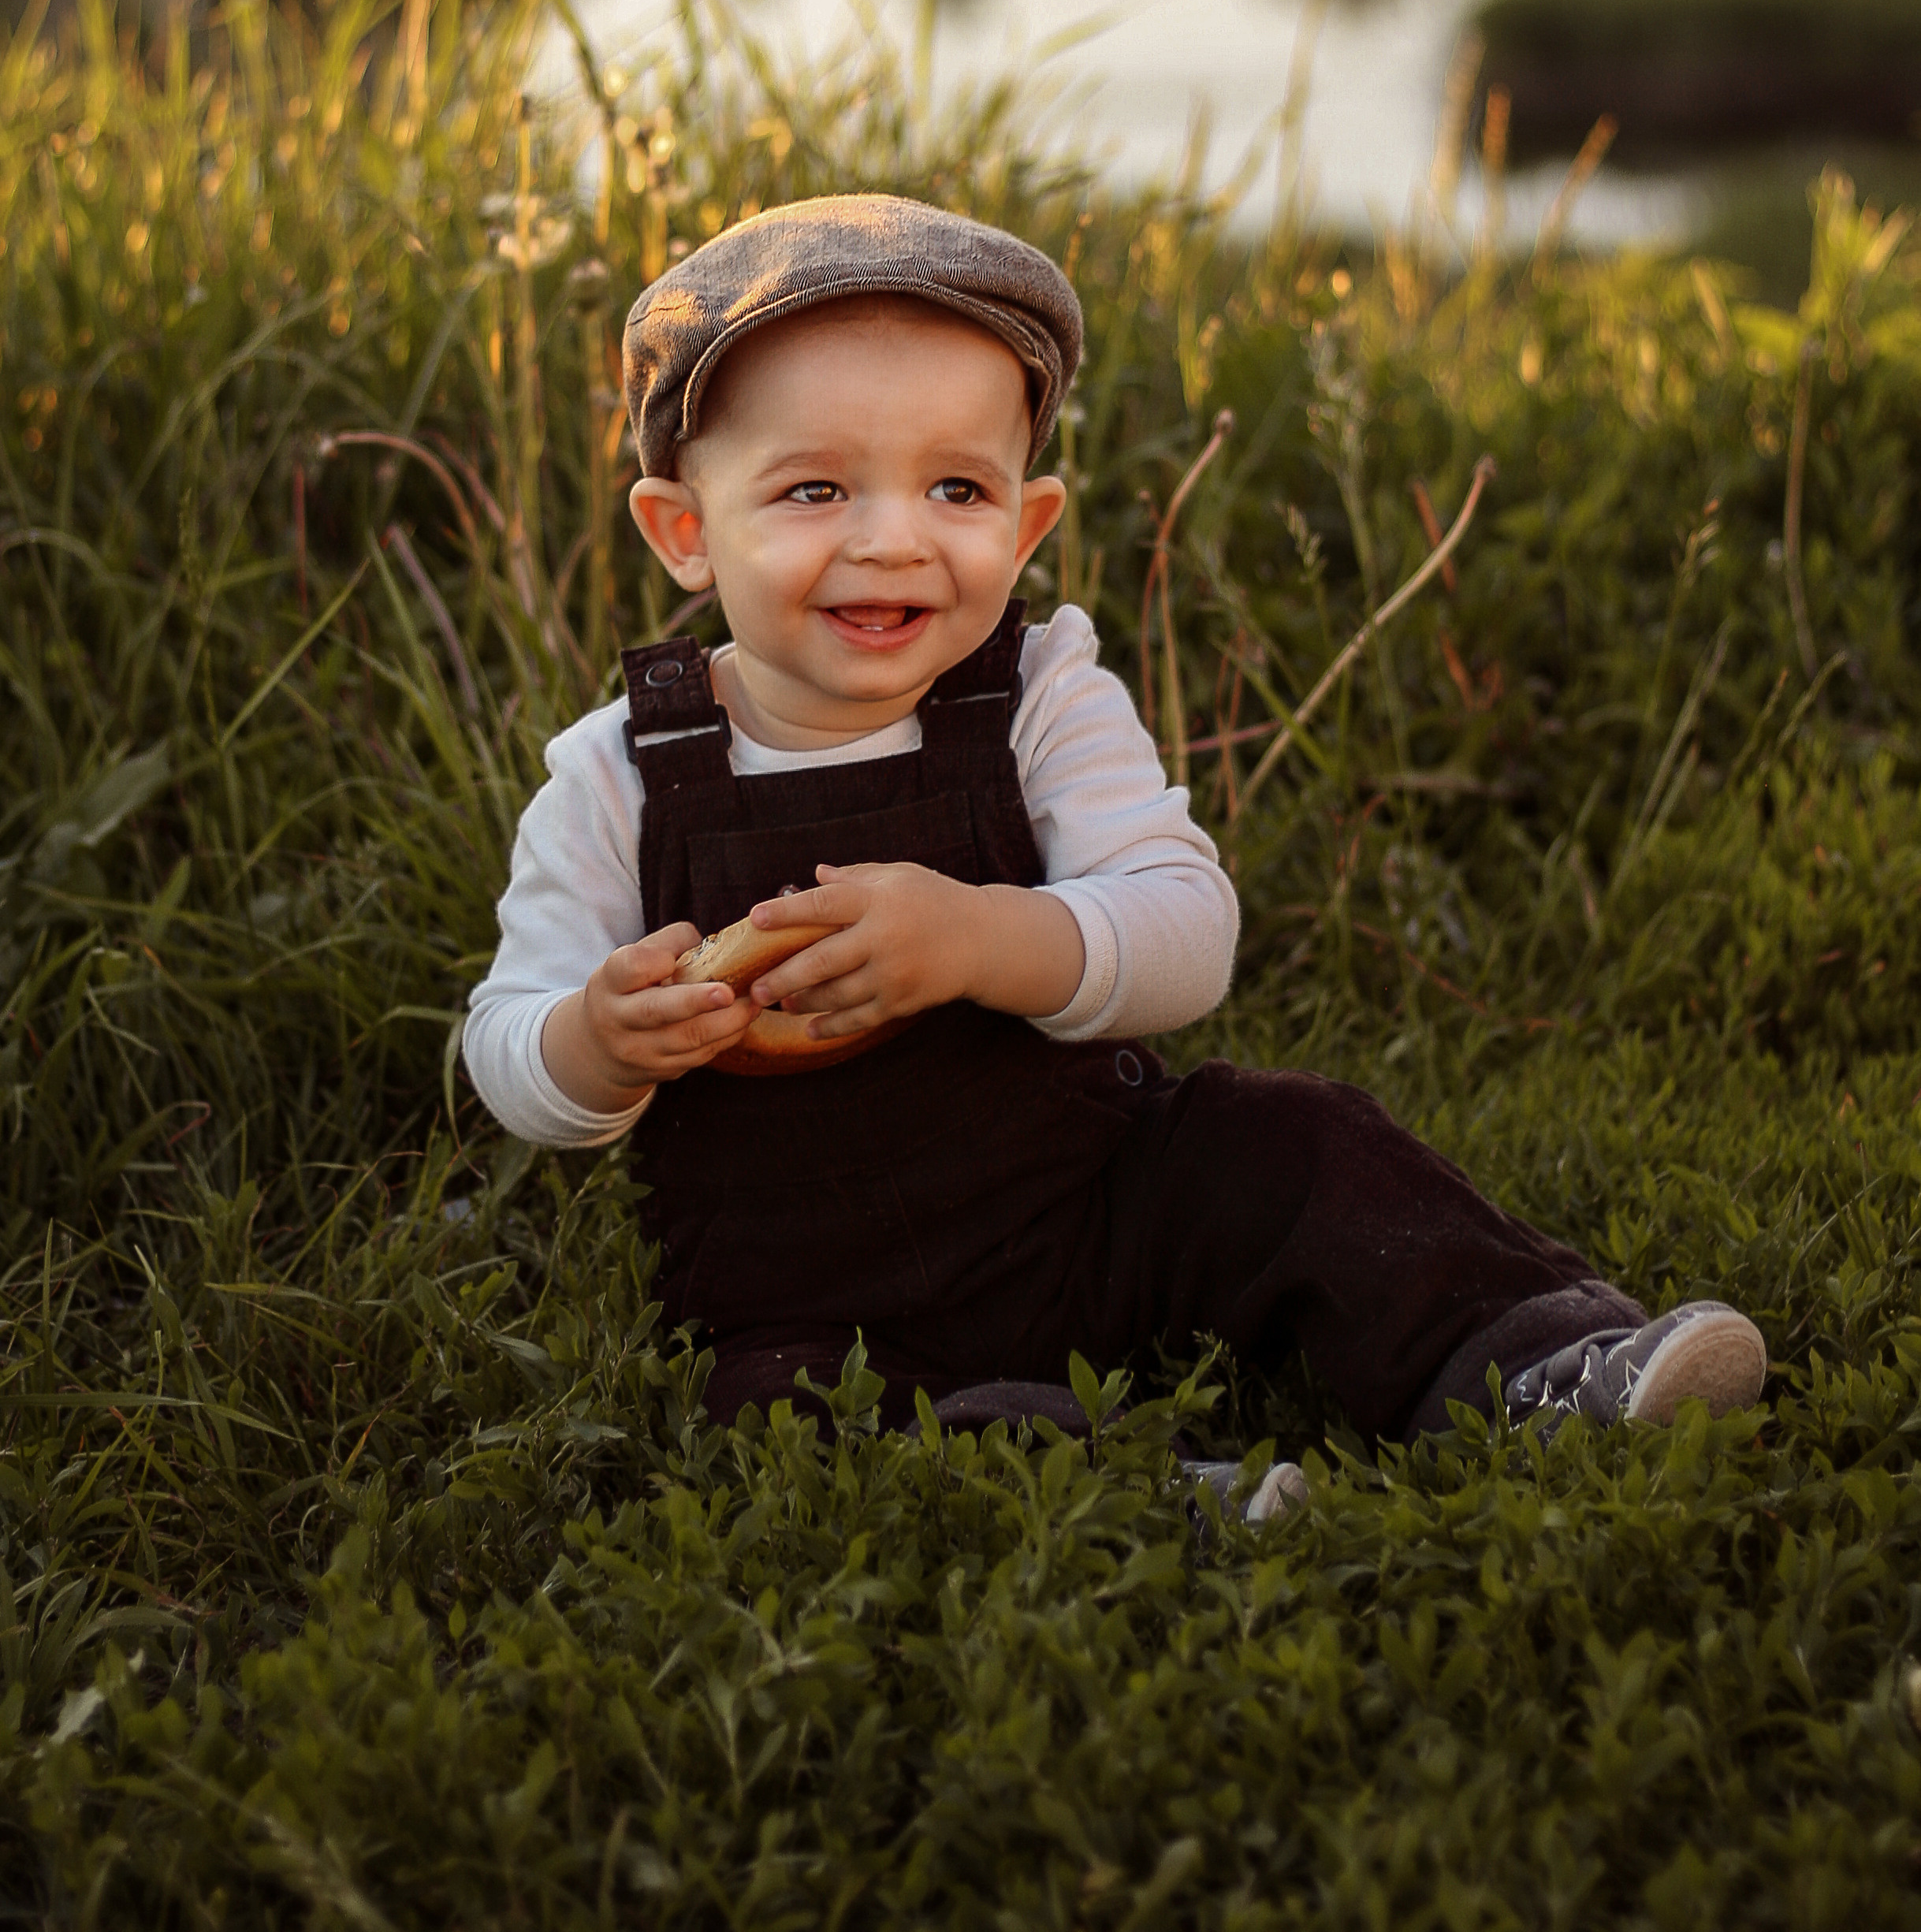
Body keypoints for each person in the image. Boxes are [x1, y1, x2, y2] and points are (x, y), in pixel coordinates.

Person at [463, 194, 1767, 1479]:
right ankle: (1136, 1494)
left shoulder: (1039, 698)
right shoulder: (620, 773)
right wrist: (594, 1039)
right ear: (685, 530)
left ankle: (1528, 1368)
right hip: (807, 1295)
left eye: (956, 487)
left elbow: (1186, 937)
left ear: (1026, 523)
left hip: (1097, 1212)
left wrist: (979, 937)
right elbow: (509, 1040)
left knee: (1293, 1139)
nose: (892, 538)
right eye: (814, 488)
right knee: (783, 1416)